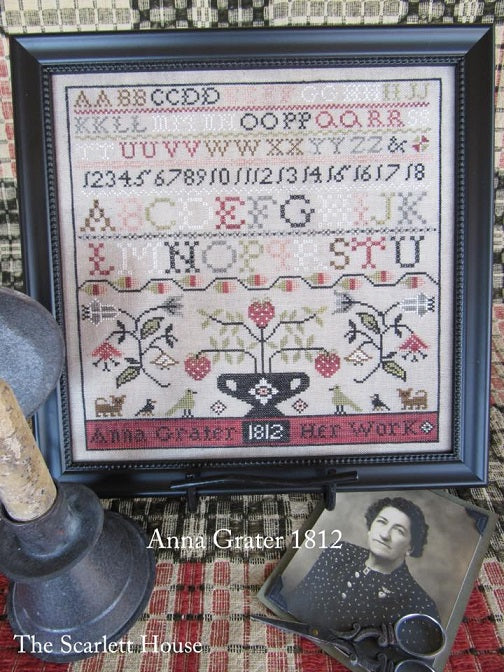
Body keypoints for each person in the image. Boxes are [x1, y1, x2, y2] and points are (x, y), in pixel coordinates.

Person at [267, 496, 440, 630]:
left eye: (399, 531)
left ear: (410, 547)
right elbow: (297, 602)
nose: (384, 535)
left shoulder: (420, 605)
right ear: (370, 527)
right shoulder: (339, 553)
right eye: (381, 522)